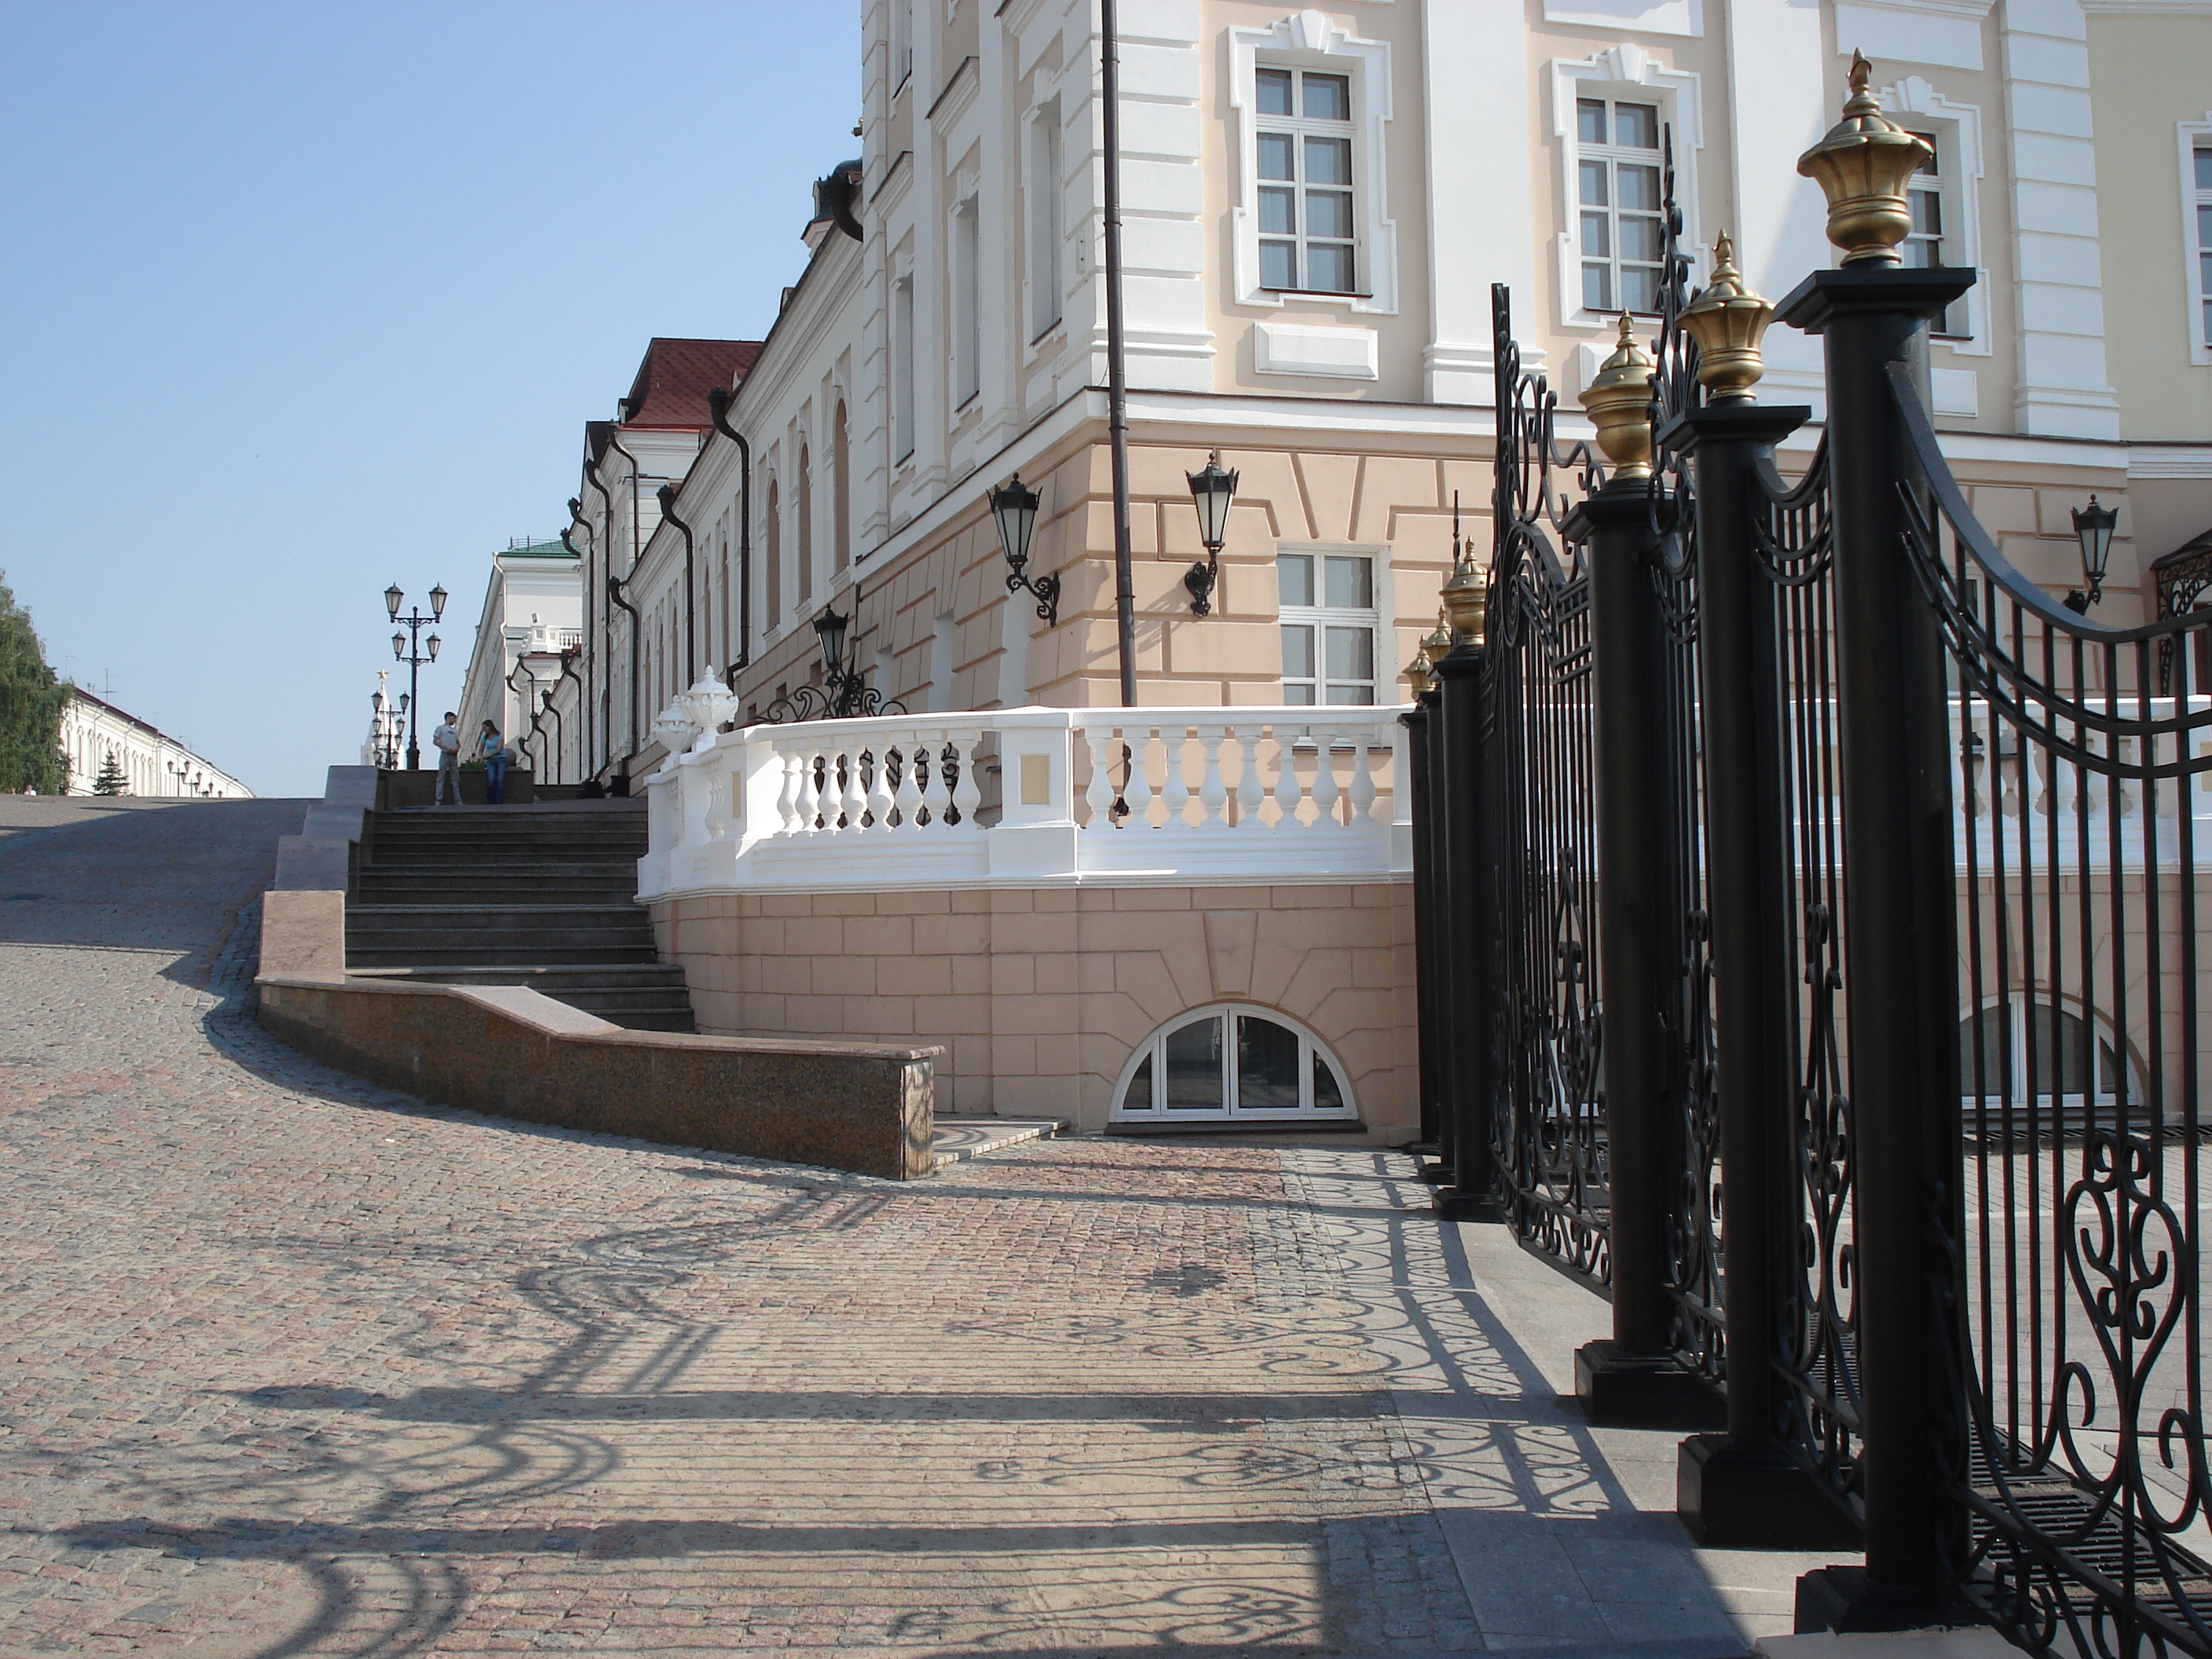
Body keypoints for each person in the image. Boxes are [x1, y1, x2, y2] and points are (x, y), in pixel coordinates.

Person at [431, 712, 462, 805]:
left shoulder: (455, 731)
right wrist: (445, 747)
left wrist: (457, 749)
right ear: (448, 718)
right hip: (445, 754)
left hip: (453, 756)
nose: (455, 720)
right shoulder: (440, 728)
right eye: (453, 718)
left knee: (455, 779)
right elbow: (435, 741)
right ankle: (438, 799)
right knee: (441, 777)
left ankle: (458, 800)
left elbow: (458, 743)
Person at [477, 720, 509, 805]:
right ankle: (490, 800)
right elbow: (480, 749)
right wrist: (481, 758)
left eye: (485, 728)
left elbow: (499, 749)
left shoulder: (499, 736)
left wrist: (488, 755)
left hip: (500, 759)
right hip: (490, 761)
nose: (484, 730)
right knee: (491, 780)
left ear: (490, 727)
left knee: (500, 780)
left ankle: (498, 800)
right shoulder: (485, 738)